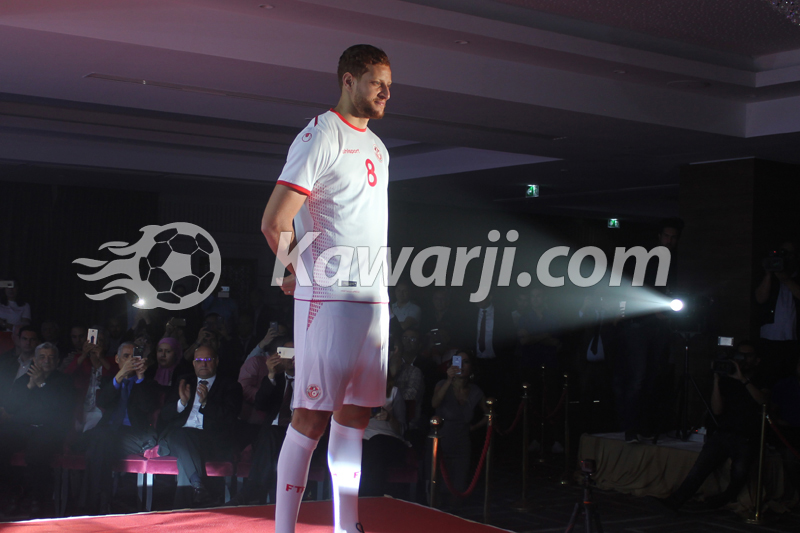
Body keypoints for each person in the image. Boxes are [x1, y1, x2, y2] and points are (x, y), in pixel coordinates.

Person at [261, 44, 391, 533]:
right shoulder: (321, 134)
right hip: (330, 300)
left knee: (356, 416)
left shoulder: (378, 147)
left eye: (389, 85)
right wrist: (293, 273)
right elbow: (275, 220)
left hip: (374, 299)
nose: (384, 92)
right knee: (311, 417)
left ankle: (346, 526)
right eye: (376, 81)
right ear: (348, 80)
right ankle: (283, 530)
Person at [656, 341, 767, 512]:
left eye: (748, 355)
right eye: (740, 355)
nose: (743, 359)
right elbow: (717, 410)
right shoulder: (728, 379)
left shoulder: (761, 378)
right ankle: (674, 503)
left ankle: (722, 499)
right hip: (723, 432)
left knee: (739, 472)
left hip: (746, 436)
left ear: (757, 360)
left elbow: (763, 402)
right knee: (699, 469)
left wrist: (743, 380)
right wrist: (716, 379)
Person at [158, 345, 243, 508]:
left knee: (185, 455)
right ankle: (198, 490)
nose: (203, 364)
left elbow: (230, 419)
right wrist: (181, 403)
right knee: (181, 434)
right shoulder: (184, 382)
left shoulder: (230, 386)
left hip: (209, 441)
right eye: (199, 360)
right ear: (194, 364)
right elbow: (165, 415)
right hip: (177, 439)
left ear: (216, 362)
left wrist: (206, 403)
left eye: (208, 360)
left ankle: (195, 491)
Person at [80, 342, 159, 514]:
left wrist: (140, 378)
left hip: (134, 435)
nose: (130, 360)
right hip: (109, 433)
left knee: (96, 446)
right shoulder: (110, 381)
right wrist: (121, 375)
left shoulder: (148, 383)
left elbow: (147, 408)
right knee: (101, 443)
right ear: (116, 359)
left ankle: (97, 501)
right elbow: (102, 403)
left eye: (134, 357)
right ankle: (103, 501)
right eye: (126, 356)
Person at [0, 342, 72, 515]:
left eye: (51, 357)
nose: (46, 361)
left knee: (37, 453)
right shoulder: (23, 380)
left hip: (49, 429)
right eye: (42, 356)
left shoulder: (64, 381)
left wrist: (41, 384)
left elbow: (59, 410)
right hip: (22, 428)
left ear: (57, 361)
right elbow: (10, 408)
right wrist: (30, 386)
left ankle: (35, 498)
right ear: (34, 359)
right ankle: (11, 494)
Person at [431, 350, 488, 504]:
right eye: (458, 361)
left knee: (458, 486)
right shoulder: (442, 384)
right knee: (438, 484)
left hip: (462, 442)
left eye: (466, 362)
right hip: (441, 440)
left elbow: (490, 415)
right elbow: (435, 403)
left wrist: (474, 427)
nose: (461, 365)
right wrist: (449, 380)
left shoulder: (475, 391)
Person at [755, 240, 800, 386]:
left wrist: (785, 278)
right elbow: (760, 299)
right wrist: (769, 273)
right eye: (782, 252)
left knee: (789, 379)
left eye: (788, 254)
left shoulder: (796, 277)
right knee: (768, 380)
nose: (785, 257)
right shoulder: (767, 277)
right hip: (769, 339)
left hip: (792, 340)